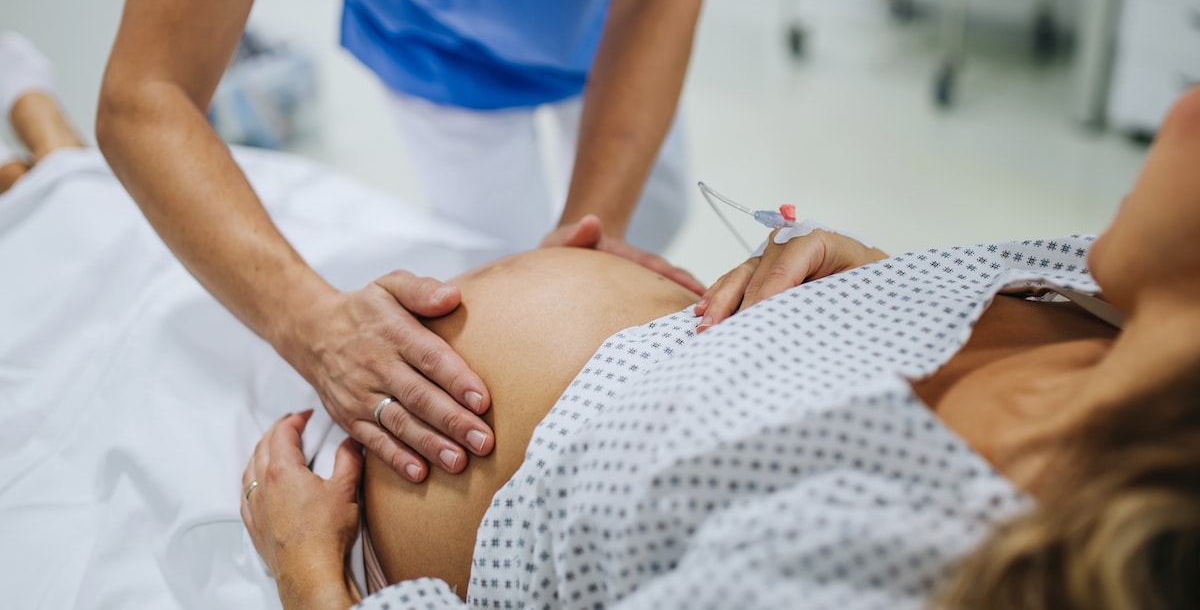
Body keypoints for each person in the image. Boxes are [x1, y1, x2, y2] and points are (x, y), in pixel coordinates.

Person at [240, 88, 1200, 609]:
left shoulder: (944, 571)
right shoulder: (1096, 299)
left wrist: (307, 581)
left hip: (347, 503)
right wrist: (877, 283)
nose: (1182, 113)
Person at [95, 0, 706, 486]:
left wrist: (586, 236)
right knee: (503, 257)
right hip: (440, 51)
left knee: (655, 212)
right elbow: (146, 91)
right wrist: (313, 326)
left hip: (608, 21)